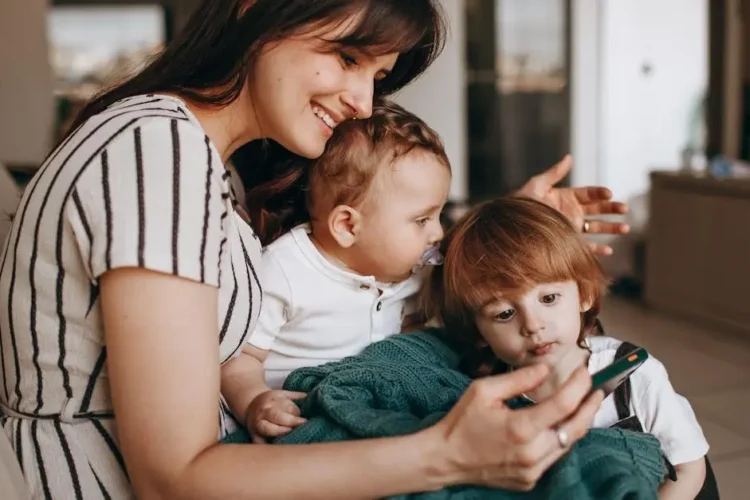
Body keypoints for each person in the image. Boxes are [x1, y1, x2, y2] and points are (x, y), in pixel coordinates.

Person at [0, 1, 626, 498]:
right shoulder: (157, 151)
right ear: (257, 9)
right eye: (348, 57)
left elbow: (363, 257)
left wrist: (500, 240)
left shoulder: (206, 161)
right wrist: (446, 456)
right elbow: (173, 480)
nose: (362, 100)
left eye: (376, 76)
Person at [422, 197, 709, 499]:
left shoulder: (637, 376)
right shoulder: (487, 399)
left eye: (548, 299)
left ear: (584, 294)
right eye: (504, 313)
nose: (532, 324)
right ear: (477, 332)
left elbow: (690, 468)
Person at [241, 99, 450, 439]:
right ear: (349, 226)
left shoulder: (411, 272)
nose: (437, 232)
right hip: (306, 417)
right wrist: (254, 401)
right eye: (422, 219)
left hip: (374, 407)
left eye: (439, 215)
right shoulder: (284, 271)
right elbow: (241, 358)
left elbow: (412, 332)